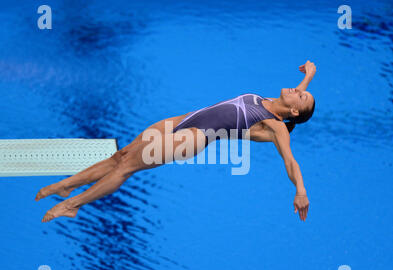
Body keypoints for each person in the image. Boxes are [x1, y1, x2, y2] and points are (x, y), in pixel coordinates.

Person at [36, 61, 316, 222]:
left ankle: (73, 205)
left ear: (293, 112)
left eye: (301, 96)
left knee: (126, 168)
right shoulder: (268, 100)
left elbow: (290, 161)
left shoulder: (276, 125)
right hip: (185, 119)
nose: (299, 91)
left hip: (194, 137)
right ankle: (66, 186)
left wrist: (301, 189)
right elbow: (293, 104)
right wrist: (308, 78)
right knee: (120, 157)